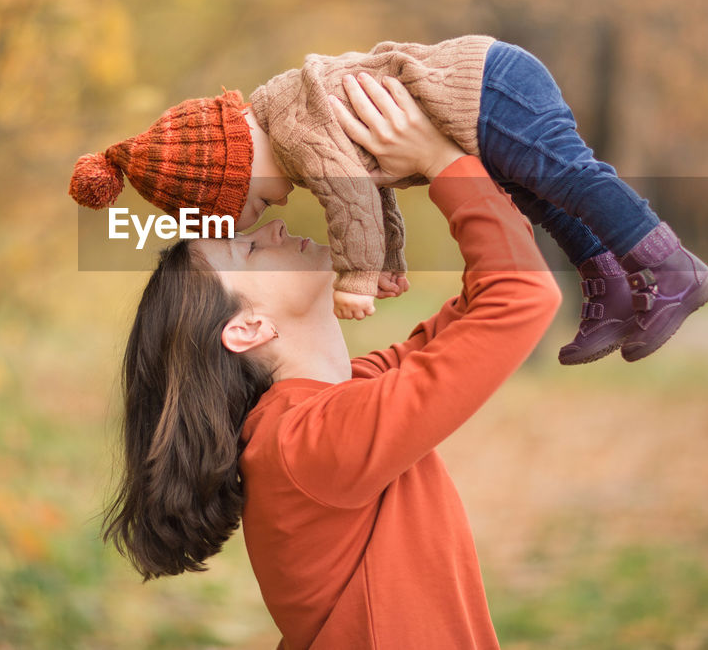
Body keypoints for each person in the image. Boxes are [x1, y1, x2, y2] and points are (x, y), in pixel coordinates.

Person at [102, 74, 563, 648]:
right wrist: (441, 163)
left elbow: (490, 297)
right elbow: (521, 297)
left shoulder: (332, 407)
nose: (271, 226)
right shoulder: (307, 442)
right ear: (247, 328)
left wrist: (425, 161)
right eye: (247, 249)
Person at [69, 35, 708, 364]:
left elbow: (348, 197)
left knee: (571, 178)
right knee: (544, 197)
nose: (259, 216)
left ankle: (667, 265)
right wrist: (387, 261)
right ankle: (608, 283)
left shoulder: (293, 129)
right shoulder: (298, 127)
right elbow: (373, 192)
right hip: (485, 97)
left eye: (241, 209)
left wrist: (356, 278)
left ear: (231, 171)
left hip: (490, 87)